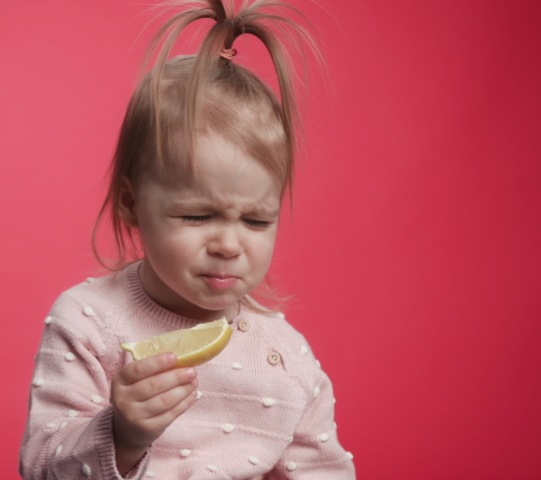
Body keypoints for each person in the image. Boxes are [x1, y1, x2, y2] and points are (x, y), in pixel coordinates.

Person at [19, 1, 355, 478]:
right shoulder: (88, 323)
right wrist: (120, 435)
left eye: (257, 222)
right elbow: (39, 466)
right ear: (132, 205)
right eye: (198, 215)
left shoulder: (286, 356)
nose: (228, 245)